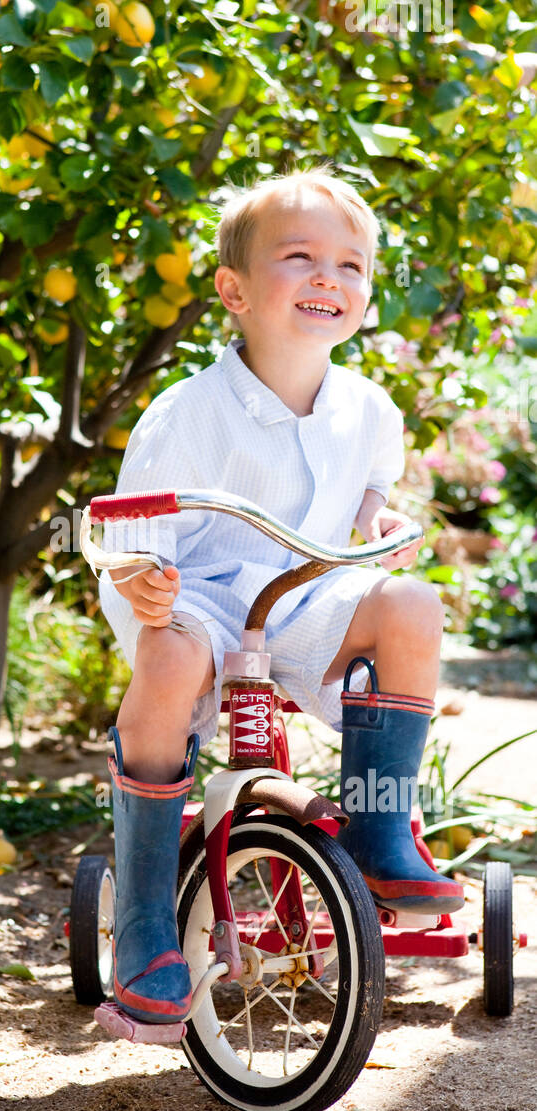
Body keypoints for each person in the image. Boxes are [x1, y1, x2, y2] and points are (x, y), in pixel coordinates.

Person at [97, 162, 463, 1027]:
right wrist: (142, 577)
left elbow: (370, 491)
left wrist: (377, 522)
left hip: (307, 599)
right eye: (299, 257)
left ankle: (379, 827)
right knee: (175, 646)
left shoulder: (370, 409)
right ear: (234, 289)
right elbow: (131, 534)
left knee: (412, 602)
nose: (328, 277)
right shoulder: (186, 414)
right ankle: (146, 911)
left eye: (351, 265)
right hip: (202, 604)